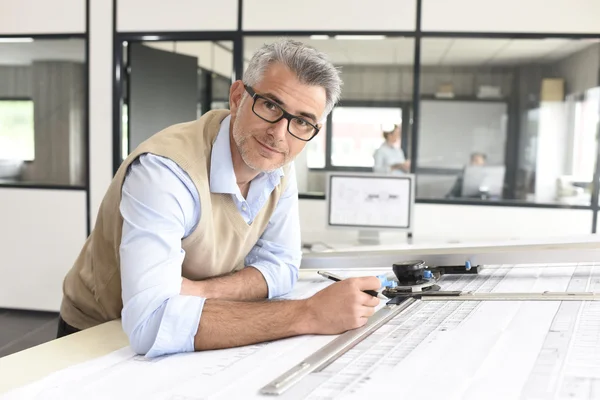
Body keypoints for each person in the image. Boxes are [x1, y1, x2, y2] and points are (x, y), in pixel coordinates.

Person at [57, 39, 381, 357]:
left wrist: (200, 292)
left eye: (301, 121)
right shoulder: (164, 172)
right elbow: (151, 322)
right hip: (99, 335)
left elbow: (282, 266)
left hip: (191, 324)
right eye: (270, 105)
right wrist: (309, 314)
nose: (280, 133)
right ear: (238, 97)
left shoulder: (278, 162)